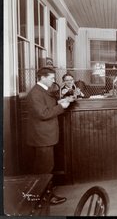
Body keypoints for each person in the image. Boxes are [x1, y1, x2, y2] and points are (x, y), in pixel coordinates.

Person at [26, 67, 71, 205]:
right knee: (44, 169)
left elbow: (46, 107)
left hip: (44, 136)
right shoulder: (35, 93)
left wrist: (59, 103)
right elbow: (43, 114)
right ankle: (43, 198)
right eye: (51, 78)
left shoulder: (41, 91)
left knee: (44, 167)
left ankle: (42, 196)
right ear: (43, 77)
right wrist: (61, 107)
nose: (53, 81)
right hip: (42, 137)